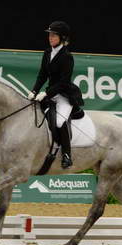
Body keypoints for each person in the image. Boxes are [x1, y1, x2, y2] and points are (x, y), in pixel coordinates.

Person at [28, 21, 84, 169]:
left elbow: (64, 82)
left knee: (59, 122)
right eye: (50, 35)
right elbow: (42, 75)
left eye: (54, 35)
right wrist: (33, 91)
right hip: (50, 94)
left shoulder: (67, 56)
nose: (50, 37)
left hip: (64, 95)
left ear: (62, 37)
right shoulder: (47, 53)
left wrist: (45, 93)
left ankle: (67, 155)